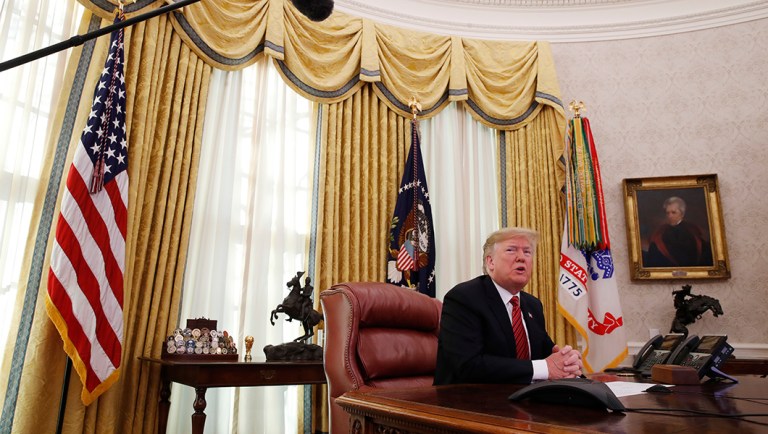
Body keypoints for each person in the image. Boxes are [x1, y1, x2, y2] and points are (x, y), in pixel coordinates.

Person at [434, 227, 583, 385]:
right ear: (490, 262)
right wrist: (545, 367)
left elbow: (548, 355)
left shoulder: (533, 305)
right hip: (469, 397)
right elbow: (468, 366)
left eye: (527, 252)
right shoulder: (464, 298)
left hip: (524, 396)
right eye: (511, 250)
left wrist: (567, 363)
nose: (521, 258)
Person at [644, 196, 713, 267]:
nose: (670, 216)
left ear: (682, 214)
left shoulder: (692, 231)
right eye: (668, 213)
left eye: (673, 212)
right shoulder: (660, 233)